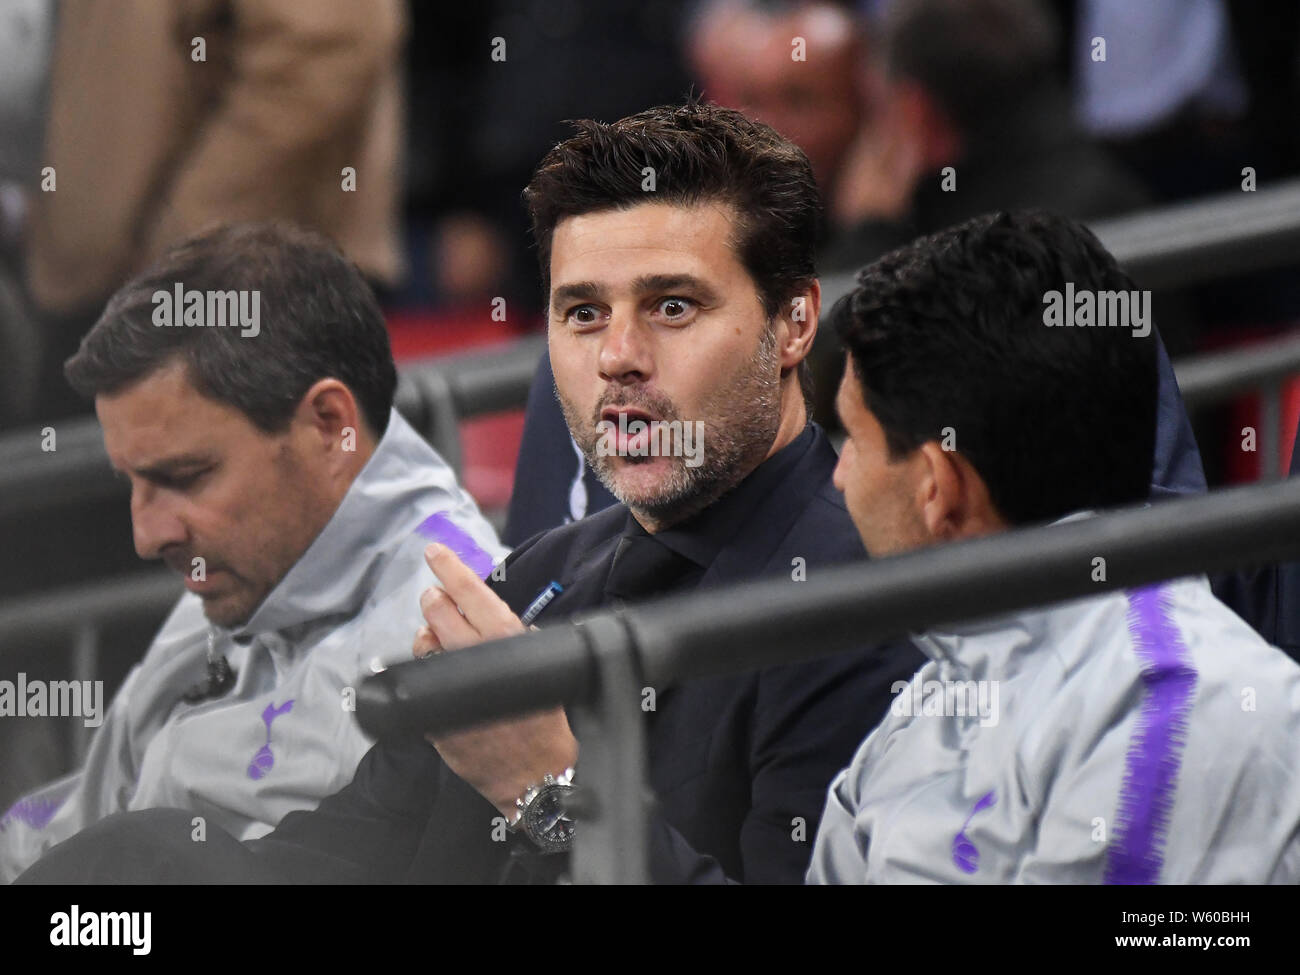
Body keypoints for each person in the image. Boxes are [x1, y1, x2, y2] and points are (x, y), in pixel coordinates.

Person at [18, 100, 924, 885]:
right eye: (583, 313)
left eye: (673, 306)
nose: (618, 356)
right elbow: (329, 862)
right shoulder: (537, 577)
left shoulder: (856, 597)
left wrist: (554, 791)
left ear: (794, 322)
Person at [0, 222, 507, 883]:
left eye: (184, 477)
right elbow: (69, 826)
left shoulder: (451, 640)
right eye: (133, 482)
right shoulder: (242, 581)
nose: (147, 535)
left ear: (330, 426)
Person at [808, 210, 1300, 884]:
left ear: (938, 486)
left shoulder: (1192, 712)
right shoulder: (928, 699)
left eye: (853, 440)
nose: (839, 475)